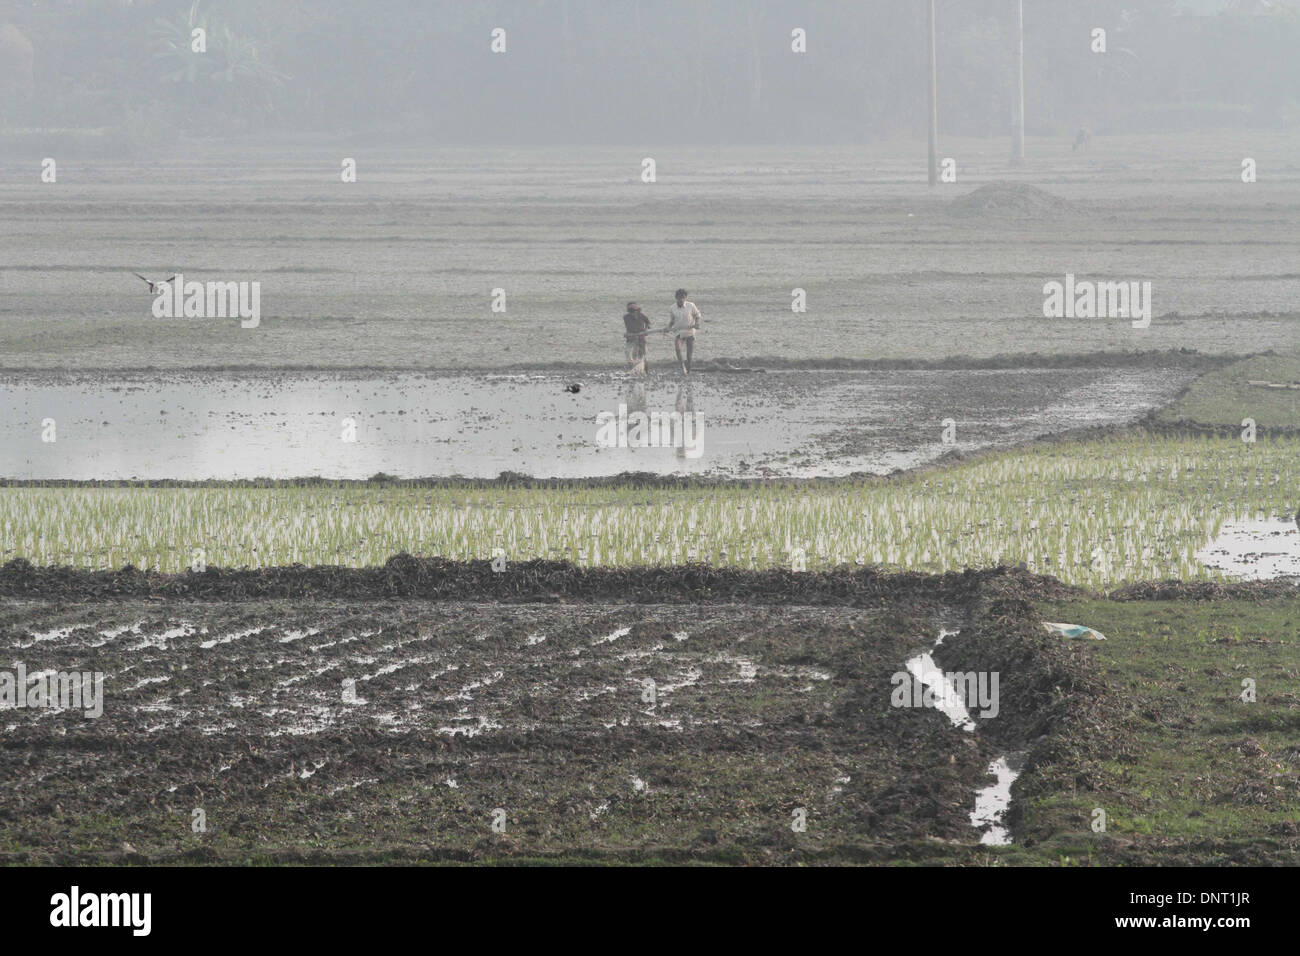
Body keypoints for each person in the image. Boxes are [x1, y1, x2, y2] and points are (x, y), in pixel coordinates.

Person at [667, 288, 702, 376]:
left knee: (689, 355)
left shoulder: (691, 305)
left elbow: (697, 315)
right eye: (679, 298)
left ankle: (688, 370)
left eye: (683, 297)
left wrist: (697, 323)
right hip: (679, 332)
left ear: (685, 298)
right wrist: (668, 327)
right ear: (676, 298)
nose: (681, 299)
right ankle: (682, 367)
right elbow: (672, 320)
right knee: (678, 349)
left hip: (690, 332)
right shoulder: (672, 308)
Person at [623, 302, 651, 374]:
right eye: (631, 311)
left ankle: (646, 372)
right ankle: (632, 370)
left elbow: (648, 323)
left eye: (635, 311)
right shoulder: (626, 317)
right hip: (631, 339)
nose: (633, 313)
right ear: (629, 312)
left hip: (641, 338)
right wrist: (629, 334)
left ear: (638, 311)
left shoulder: (642, 316)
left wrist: (645, 330)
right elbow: (628, 327)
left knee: (644, 356)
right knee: (628, 354)